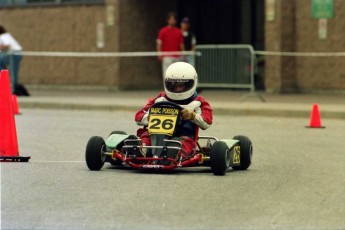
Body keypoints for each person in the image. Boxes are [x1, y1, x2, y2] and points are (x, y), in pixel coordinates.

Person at [135, 62, 212, 158]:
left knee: (184, 142)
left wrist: (192, 116)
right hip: (156, 135)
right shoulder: (161, 98)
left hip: (183, 135)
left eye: (181, 85)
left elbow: (206, 122)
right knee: (146, 136)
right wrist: (149, 117)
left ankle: (175, 154)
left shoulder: (198, 102)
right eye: (174, 85)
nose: (177, 89)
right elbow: (138, 116)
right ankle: (142, 149)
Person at [156, 12, 185, 77]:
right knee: (167, 73)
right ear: (168, 20)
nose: (172, 21)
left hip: (177, 57)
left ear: (176, 21)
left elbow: (181, 44)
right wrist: (159, 54)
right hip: (167, 56)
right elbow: (159, 43)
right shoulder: (163, 31)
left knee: (176, 74)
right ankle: (166, 87)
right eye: (171, 19)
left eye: (174, 19)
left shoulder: (178, 31)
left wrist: (183, 55)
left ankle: (175, 87)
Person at [0, 25, 23, 92]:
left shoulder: (4, 35)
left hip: (15, 54)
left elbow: (6, 45)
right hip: (13, 54)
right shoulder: (4, 36)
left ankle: (14, 87)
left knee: (13, 70)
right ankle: (5, 75)